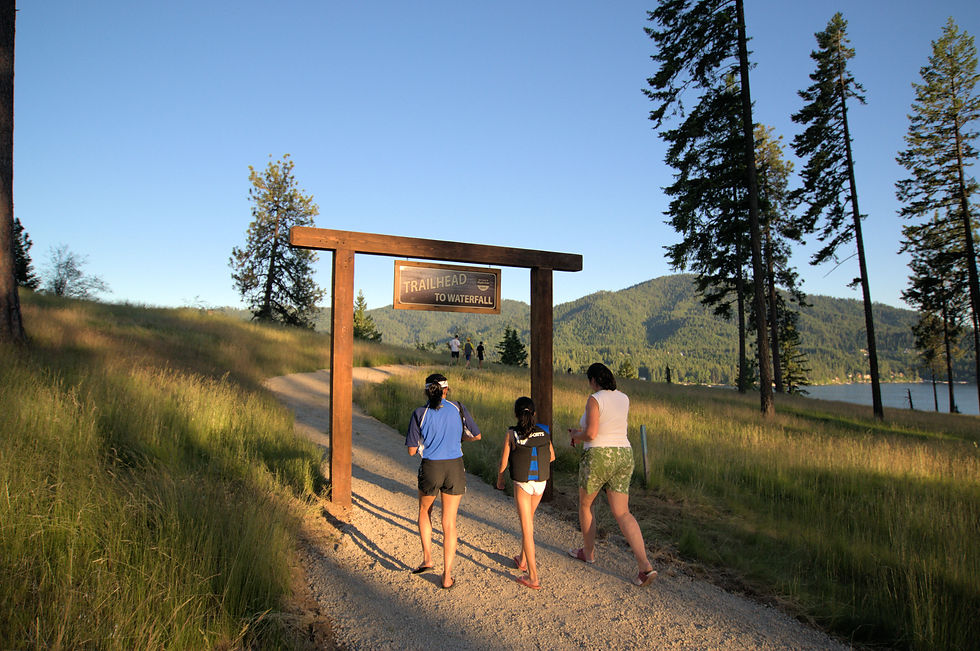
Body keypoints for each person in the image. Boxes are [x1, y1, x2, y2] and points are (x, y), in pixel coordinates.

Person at [567, 362, 657, 586]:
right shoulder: (624, 398)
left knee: (586, 505)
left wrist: (576, 435)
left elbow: (592, 433)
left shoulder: (595, 399)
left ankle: (588, 553)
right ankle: (645, 566)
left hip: (599, 455)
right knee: (623, 513)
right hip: (624, 455)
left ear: (593, 380)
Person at [406, 373, 481, 589]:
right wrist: (458, 438)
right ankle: (447, 576)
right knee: (449, 522)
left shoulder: (419, 413)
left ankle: (428, 559)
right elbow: (477, 435)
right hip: (455, 467)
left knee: (424, 511)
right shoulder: (458, 407)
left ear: (426, 391)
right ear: (446, 390)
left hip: (431, 466)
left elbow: (412, 451)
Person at [496, 397, 555, 590]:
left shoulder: (512, 433)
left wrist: (500, 479)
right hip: (541, 483)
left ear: (516, 414)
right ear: (534, 413)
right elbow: (552, 457)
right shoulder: (544, 431)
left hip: (523, 483)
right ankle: (522, 559)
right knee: (528, 519)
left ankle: (533, 577)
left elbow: (504, 462)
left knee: (527, 528)